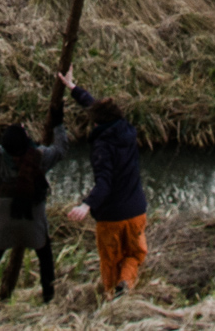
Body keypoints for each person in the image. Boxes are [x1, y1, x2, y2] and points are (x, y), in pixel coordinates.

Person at [58, 69, 147, 295]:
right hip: (136, 212)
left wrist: (86, 204)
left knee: (110, 261)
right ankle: (125, 284)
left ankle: (111, 299)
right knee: (135, 254)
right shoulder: (126, 129)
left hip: (111, 218)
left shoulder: (102, 147)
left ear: (98, 124)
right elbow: (98, 106)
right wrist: (73, 88)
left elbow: (105, 183)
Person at [0, 113, 68, 303]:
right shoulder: (38, 157)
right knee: (45, 258)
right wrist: (58, 126)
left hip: (2, 220)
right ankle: (48, 297)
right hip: (32, 219)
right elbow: (60, 150)